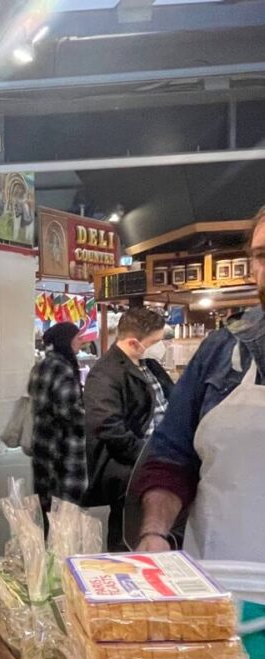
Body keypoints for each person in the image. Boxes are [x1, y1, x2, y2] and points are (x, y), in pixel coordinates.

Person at [133, 207, 265, 560]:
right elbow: (172, 458)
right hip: (219, 578)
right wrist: (154, 532)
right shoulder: (220, 351)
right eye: (263, 255)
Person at [83, 307, 173, 551]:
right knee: (127, 536)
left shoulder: (151, 365)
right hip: (129, 468)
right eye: (156, 341)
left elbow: (172, 400)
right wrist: (146, 457)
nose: (161, 346)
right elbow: (108, 427)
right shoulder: (105, 374)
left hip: (161, 460)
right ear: (134, 342)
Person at [30, 322, 87, 513]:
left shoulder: (41, 365)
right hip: (63, 448)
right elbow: (69, 412)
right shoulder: (63, 368)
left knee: (46, 502)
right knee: (65, 509)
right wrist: (93, 421)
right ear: (67, 340)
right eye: (78, 337)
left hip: (43, 442)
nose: (81, 341)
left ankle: (48, 541)